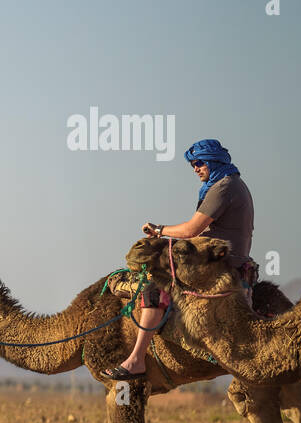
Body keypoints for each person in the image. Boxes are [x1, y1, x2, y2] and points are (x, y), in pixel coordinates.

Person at [103, 138, 255, 379]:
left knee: (154, 288)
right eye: (192, 164)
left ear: (213, 161)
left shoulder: (223, 187)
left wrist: (159, 230)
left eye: (199, 163)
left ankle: (136, 360)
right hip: (221, 258)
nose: (195, 168)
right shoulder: (230, 184)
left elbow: (191, 230)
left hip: (218, 264)